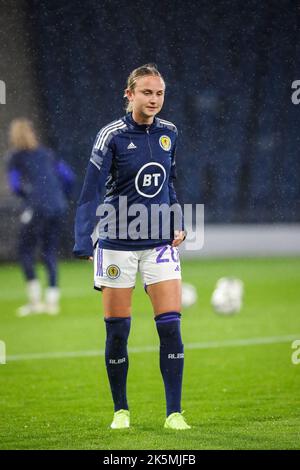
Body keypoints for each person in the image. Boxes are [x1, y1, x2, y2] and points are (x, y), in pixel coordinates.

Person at [74, 64, 191, 430]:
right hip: (117, 245)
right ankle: (121, 410)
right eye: (146, 92)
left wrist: (178, 222)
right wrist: (83, 239)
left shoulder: (169, 133)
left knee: (170, 327)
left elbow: (169, 184)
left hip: (158, 243)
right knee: (118, 331)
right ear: (129, 95)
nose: (154, 99)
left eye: (159, 93)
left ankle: (174, 412)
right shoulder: (110, 135)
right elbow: (91, 190)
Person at [6, 118, 75, 316]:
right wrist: (60, 197)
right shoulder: (46, 153)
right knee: (49, 251)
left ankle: (35, 302)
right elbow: (69, 177)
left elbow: (15, 185)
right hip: (58, 206)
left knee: (25, 250)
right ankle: (52, 302)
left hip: (36, 207)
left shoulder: (15, 157)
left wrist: (30, 199)